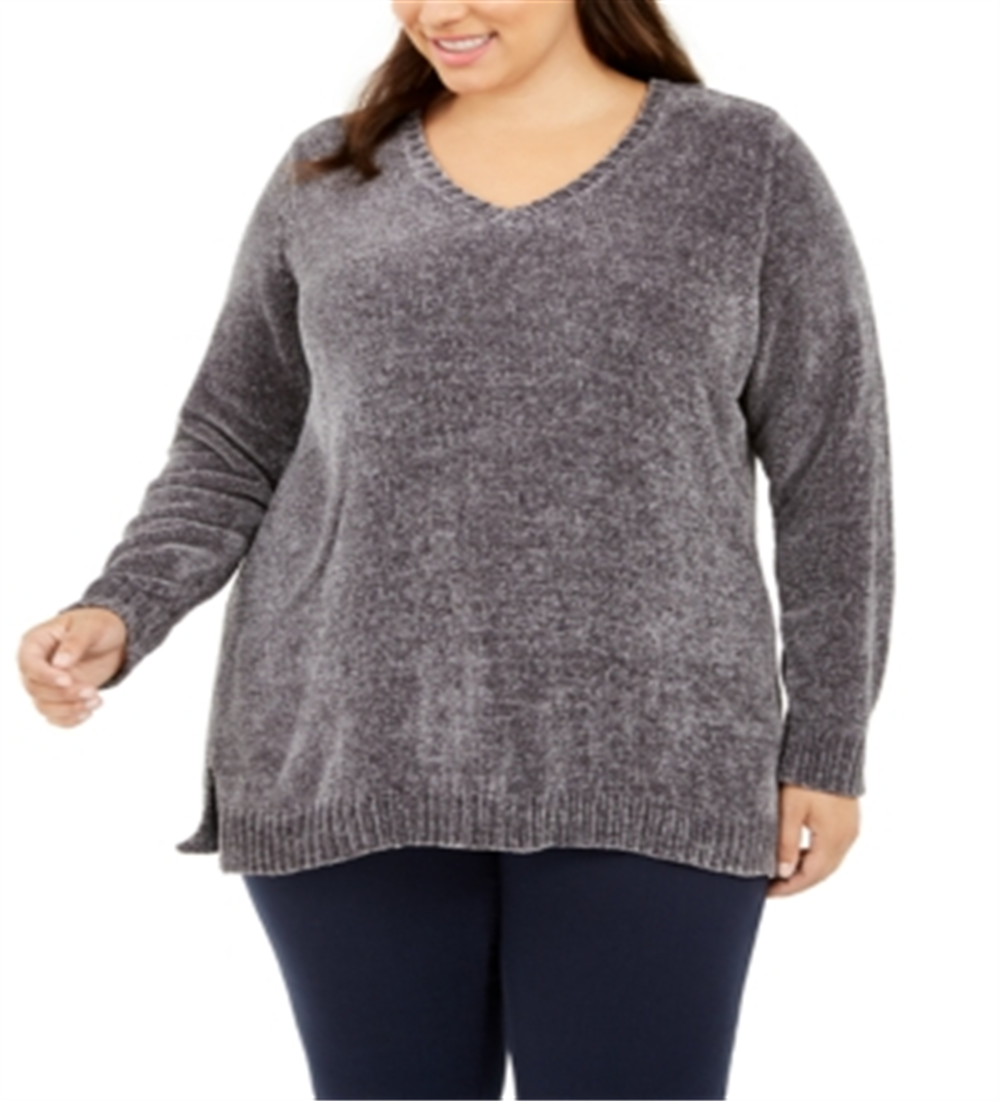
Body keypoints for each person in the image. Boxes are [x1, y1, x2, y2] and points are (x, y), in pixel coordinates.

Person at [16, 1, 894, 1097]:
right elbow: (234, 442)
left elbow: (833, 467)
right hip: (349, 746)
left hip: (655, 753)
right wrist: (120, 607)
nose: (439, 11)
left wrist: (826, 744)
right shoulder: (327, 174)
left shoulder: (740, 162)